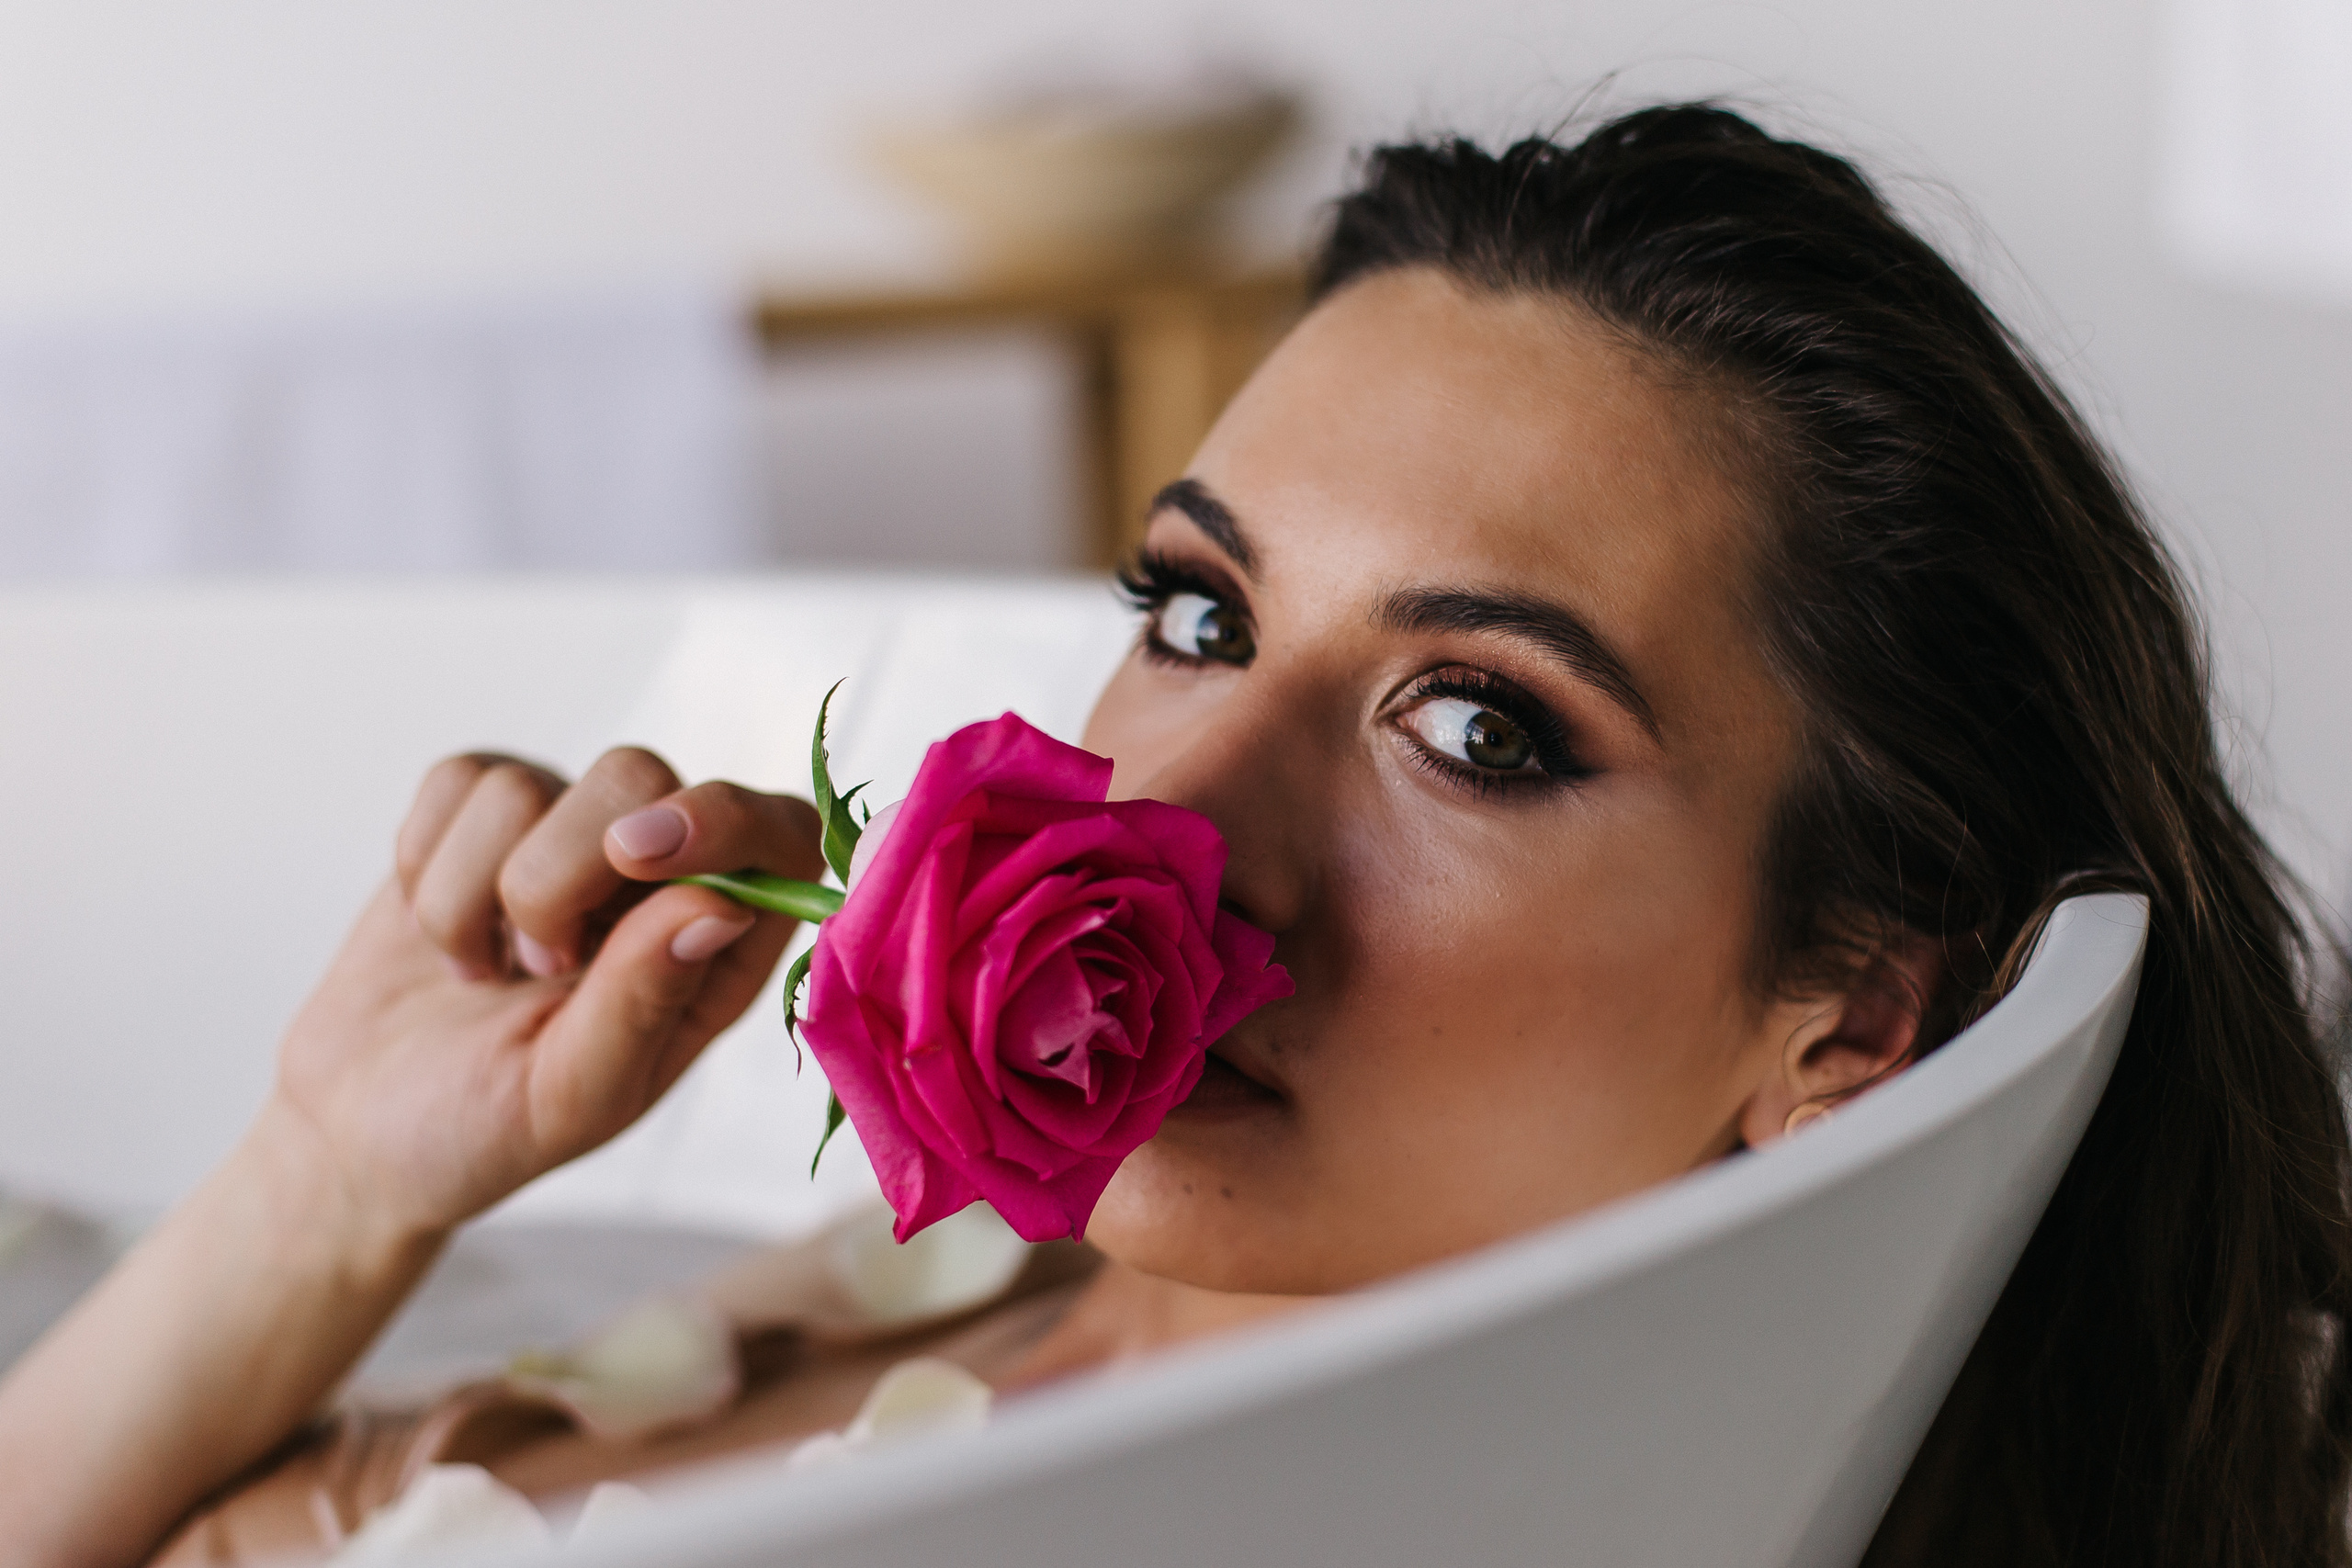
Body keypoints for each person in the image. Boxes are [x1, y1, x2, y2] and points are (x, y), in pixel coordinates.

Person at [3, 103, 2347, 1568]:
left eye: (1477, 725)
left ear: (1839, 1016)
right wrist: (333, 1172)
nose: (1173, 810)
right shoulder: (1040, 1276)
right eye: (1194, 609)